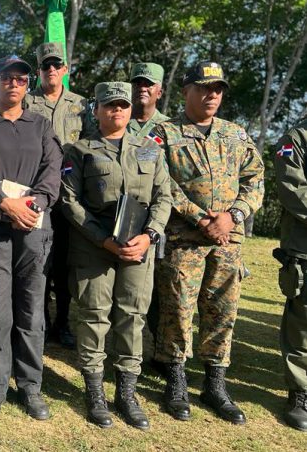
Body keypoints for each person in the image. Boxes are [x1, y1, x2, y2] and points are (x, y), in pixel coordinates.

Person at [152, 62, 264, 425]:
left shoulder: (235, 134)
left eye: (217, 88)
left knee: (222, 312)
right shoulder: (163, 133)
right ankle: (176, 381)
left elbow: (256, 179)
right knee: (178, 311)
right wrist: (200, 218)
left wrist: (233, 216)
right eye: (203, 88)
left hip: (228, 241)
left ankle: (215, 384)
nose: (212, 94)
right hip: (184, 240)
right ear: (185, 91)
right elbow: (158, 182)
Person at [61, 81, 172, 429]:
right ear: (96, 110)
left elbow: (163, 196)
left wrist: (150, 235)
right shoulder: (79, 151)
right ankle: (94, 392)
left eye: (123, 105)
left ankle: (126, 392)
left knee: (132, 316)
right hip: (95, 249)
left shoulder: (150, 149)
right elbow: (69, 201)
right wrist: (102, 240)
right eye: (109, 105)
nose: (117, 111)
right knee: (94, 315)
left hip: (139, 247)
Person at [0, 55, 63, 420]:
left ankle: (30, 386)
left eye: (21, 78)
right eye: (7, 77)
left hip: (34, 227)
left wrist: (32, 204)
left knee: (32, 308)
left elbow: (53, 170)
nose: (13, 83)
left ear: (27, 85)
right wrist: (5, 203)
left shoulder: (41, 125)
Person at [24, 41, 91, 349]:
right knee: (38, 262)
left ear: (65, 69)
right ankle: (40, 320)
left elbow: (92, 147)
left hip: (70, 196)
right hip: (36, 192)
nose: (51, 70)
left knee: (63, 264)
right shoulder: (26, 102)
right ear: (39, 71)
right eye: (45, 66)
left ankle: (62, 321)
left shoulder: (82, 106)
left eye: (56, 65)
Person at [127, 62, 170, 349]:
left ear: (159, 91)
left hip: (159, 217)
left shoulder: (171, 128)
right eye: (138, 83)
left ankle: (158, 347)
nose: (143, 88)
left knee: (159, 287)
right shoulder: (115, 118)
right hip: (123, 216)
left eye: (149, 84)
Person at [273, 120, 307, 431]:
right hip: (305, 245)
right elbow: (292, 188)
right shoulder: (295, 139)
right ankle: (300, 393)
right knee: (303, 324)